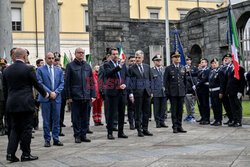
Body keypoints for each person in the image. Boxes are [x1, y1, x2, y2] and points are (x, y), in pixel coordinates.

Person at [3, 48, 48, 162]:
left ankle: (10, 154)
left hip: (12, 103)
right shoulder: (28, 69)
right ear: (24, 57)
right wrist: (45, 93)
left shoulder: (6, 70)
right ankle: (26, 154)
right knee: (27, 129)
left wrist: (8, 101)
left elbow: (5, 90)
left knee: (14, 129)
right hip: (25, 103)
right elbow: (36, 84)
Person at [65, 47, 96, 143]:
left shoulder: (87, 66)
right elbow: (67, 82)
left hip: (86, 96)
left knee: (85, 117)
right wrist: (69, 96)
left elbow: (91, 82)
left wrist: (93, 95)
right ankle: (77, 135)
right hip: (75, 96)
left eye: (82, 53)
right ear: (75, 54)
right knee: (76, 118)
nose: (81, 54)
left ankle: (83, 134)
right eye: (79, 53)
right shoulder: (70, 66)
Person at [36, 53, 64, 147]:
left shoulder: (58, 70)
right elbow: (40, 83)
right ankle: (47, 139)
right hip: (45, 98)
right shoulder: (40, 70)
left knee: (56, 119)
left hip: (56, 97)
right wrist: (49, 92)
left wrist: (55, 92)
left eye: (52, 58)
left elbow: (61, 83)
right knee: (46, 120)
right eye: (49, 58)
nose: (51, 60)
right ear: (45, 59)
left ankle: (56, 138)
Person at [104, 48, 128, 140]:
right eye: (113, 54)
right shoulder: (107, 65)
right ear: (110, 55)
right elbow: (109, 73)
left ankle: (121, 132)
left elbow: (125, 76)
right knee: (111, 113)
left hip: (121, 92)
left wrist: (124, 84)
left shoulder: (122, 65)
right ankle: (110, 133)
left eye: (117, 54)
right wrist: (119, 67)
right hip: (112, 93)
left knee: (121, 113)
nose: (115, 56)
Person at [129, 50, 153, 137]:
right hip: (137, 93)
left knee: (146, 112)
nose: (137, 59)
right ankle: (139, 130)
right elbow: (130, 82)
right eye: (136, 58)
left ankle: (145, 129)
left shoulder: (147, 67)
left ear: (142, 58)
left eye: (139, 58)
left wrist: (151, 91)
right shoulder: (132, 68)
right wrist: (131, 94)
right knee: (138, 112)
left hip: (146, 92)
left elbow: (150, 79)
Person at [164, 51, 187, 133]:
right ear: (172, 58)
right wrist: (167, 92)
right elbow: (166, 82)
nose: (178, 58)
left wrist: (185, 91)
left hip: (181, 92)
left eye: (178, 57)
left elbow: (184, 81)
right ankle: (175, 126)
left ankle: (180, 126)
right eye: (176, 57)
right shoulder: (169, 68)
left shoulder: (183, 68)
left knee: (180, 110)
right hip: (172, 93)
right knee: (174, 110)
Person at [224, 56, 246, 127]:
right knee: (232, 107)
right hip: (231, 92)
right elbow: (229, 82)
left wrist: (240, 91)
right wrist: (227, 91)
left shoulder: (240, 69)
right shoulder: (231, 69)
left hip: (237, 92)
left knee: (237, 107)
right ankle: (234, 120)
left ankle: (238, 121)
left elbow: (242, 82)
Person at [151, 54, 168, 128]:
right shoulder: (152, 70)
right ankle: (157, 122)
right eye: (157, 61)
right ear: (154, 62)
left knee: (163, 108)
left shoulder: (164, 69)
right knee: (156, 108)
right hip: (156, 92)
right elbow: (151, 81)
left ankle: (162, 121)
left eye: (160, 60)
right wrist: (152, 91)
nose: (159, 62)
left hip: (163, 92)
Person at [193, 58, 211, 125]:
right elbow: (194, 74)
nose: (201, 63)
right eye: (201, 62)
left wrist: (197, 84)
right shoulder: (200, 71)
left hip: (204, 89)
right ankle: (203, 117)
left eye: (203, 62)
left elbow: (204, 79)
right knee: (200, 104)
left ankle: (207, 119)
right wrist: (187, 72)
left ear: (206, 63)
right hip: (199, 89)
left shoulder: (208, 70)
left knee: (205, 104)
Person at [219, 54, 233, 125]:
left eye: (227, 58)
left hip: (229, 90)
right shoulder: (224, 68)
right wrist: (224, 65)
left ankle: (233, 119)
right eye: (224, 59)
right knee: (226, 106)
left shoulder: (231, 67)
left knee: (231, 106)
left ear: (231, 59)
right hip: (224, 90)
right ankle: (230, 119)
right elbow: (221, 79)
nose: (225, 60)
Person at [209, 58, 222, 126]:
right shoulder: (211, 72)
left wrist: (221, 92)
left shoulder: (219, 71)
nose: (214, 64)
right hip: (212, 91)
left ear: (218, 63)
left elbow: (221, 83)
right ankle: (216, 119)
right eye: (213, 63)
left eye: (215, 63)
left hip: (217, 91)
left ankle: (219, 120)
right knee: (214, 106)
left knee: (218, 106)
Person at [184, 56, 197, 122]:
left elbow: (194, 78)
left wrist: (194, 92)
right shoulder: (183, 68)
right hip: (186, 90)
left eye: (188, 60)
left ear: (191, 61)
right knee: (187, 105)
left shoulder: (193, 68)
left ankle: (193, 116)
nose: (187, 61)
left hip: (191, 90)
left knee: (192, 105)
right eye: (186, 60)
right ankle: (188, 115)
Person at [126, 56, 136, 130]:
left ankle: (138, 123)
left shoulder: (138, 68)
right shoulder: (127, 70)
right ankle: (131, 123)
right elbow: (128, 82)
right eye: (131, 61)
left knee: (138, 109)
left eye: (134, 61)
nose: (133, 62)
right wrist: (131, 93)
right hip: (129, 91)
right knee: (131, 109)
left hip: (138, 91)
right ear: (128, 62)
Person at [0, 59, 7, 136]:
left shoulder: (6, 74)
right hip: (0, 98)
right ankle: (1, 128)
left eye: (3, 65)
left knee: (7, 114)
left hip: (6, 97)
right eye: (0, 65)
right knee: (0, 115)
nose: (2, 66)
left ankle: (7, 128)